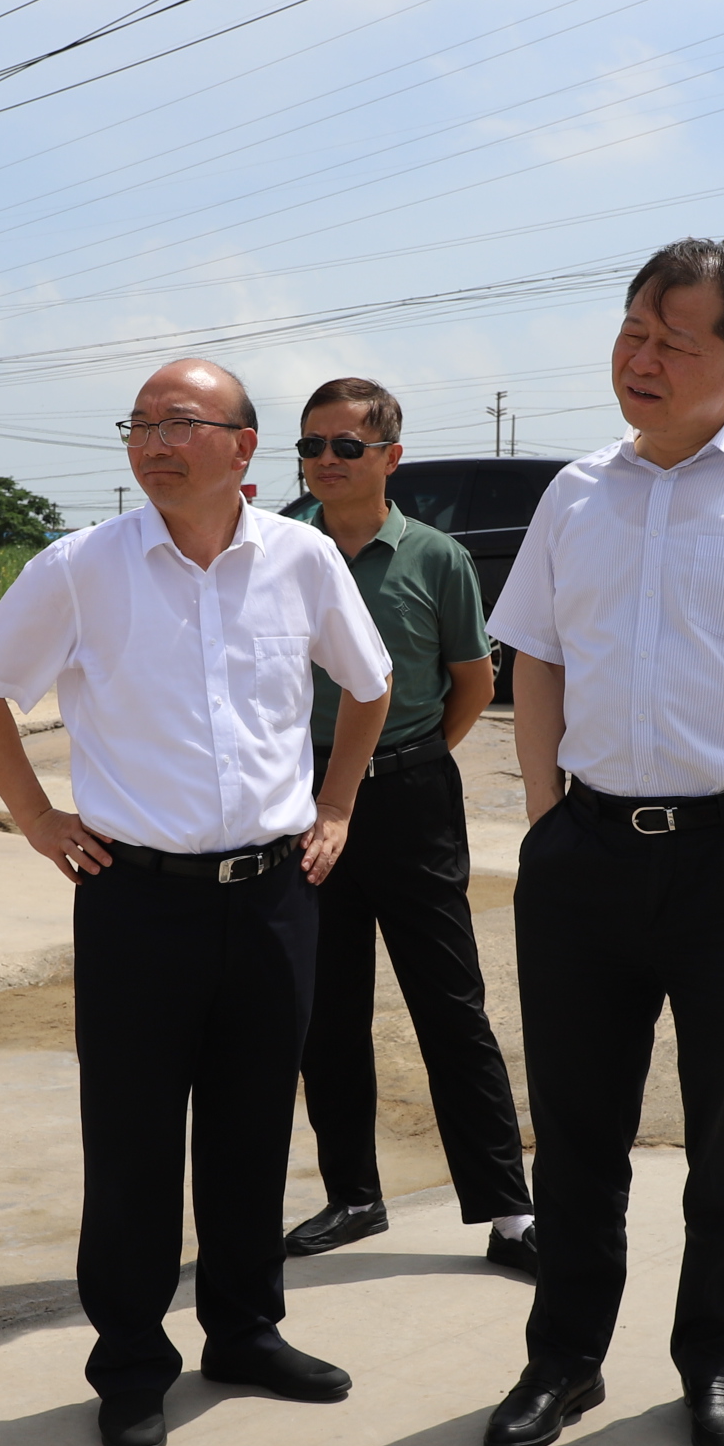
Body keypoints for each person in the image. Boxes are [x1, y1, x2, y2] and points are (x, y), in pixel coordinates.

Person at [0, 358, 394, 1446]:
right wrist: (36, 816)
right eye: (140, 423)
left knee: (253, 1128)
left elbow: (371, 682)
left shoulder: (301, 560)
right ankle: (132, 1364)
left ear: (242, 447)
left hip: (275, 895)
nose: (153, 441)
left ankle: (244, 1333)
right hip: (136, 900)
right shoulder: (80, 568)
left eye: (180, 422)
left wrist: (337, 803)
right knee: (134, 1142)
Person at [480, 238, 724, 1446]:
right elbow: (536, 657)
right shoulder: (575, 493)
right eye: (632, 332)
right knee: (576, 1129)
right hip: (587, 851)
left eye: (674, 341)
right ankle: (564, 1357)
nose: (641, 359)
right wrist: (545, 815)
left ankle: (715, 1361)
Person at [279, 375, 538, 1274]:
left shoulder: (436, 558)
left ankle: (509, 1213)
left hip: (410, 799)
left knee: (449, 1003)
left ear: (390, 457)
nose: (326, 461)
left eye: (347, 446)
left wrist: (407, 760)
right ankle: (353, 1196)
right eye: (312, 446)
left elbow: (474, 682)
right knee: (326, 1012)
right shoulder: (279, 551)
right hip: (303, 804)